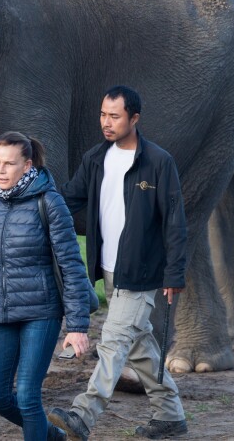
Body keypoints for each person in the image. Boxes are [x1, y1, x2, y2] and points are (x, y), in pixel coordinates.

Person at [48, 85, 188, 440]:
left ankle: (83, 414)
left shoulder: (158, 162)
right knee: (140, 346)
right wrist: (34, 193)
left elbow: (174, 221)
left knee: (111, 341)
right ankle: (170, 416)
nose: (106, 123)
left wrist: (173, 272)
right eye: (102, 115)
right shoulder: (96, 158)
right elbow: (69, 196)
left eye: (114, 116)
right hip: (109, 269)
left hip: (142, 273)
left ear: (134, 118)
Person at [0, 131, 92, 441]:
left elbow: (71, 266)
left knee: (26, 396)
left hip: (42, 313)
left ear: (27, 165)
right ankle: (52, 436)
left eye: (9, 164)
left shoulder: (50, 203)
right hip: (1, 314)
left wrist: (77, 325)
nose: (1, 170)